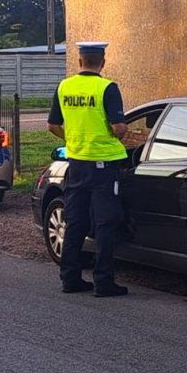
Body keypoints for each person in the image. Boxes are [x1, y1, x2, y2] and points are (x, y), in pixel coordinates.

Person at [47, 41, 129, 297]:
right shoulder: (107, 87)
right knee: (106, 223)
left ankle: (70, 279)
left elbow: (52, 125)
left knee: (76, 222)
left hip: (76, 164)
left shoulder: (64, 87)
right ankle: (103, 281)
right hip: (104, 166)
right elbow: (118, 128)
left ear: (80, 62)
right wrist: (119, 134)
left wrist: (72, 139)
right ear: (102, 63)